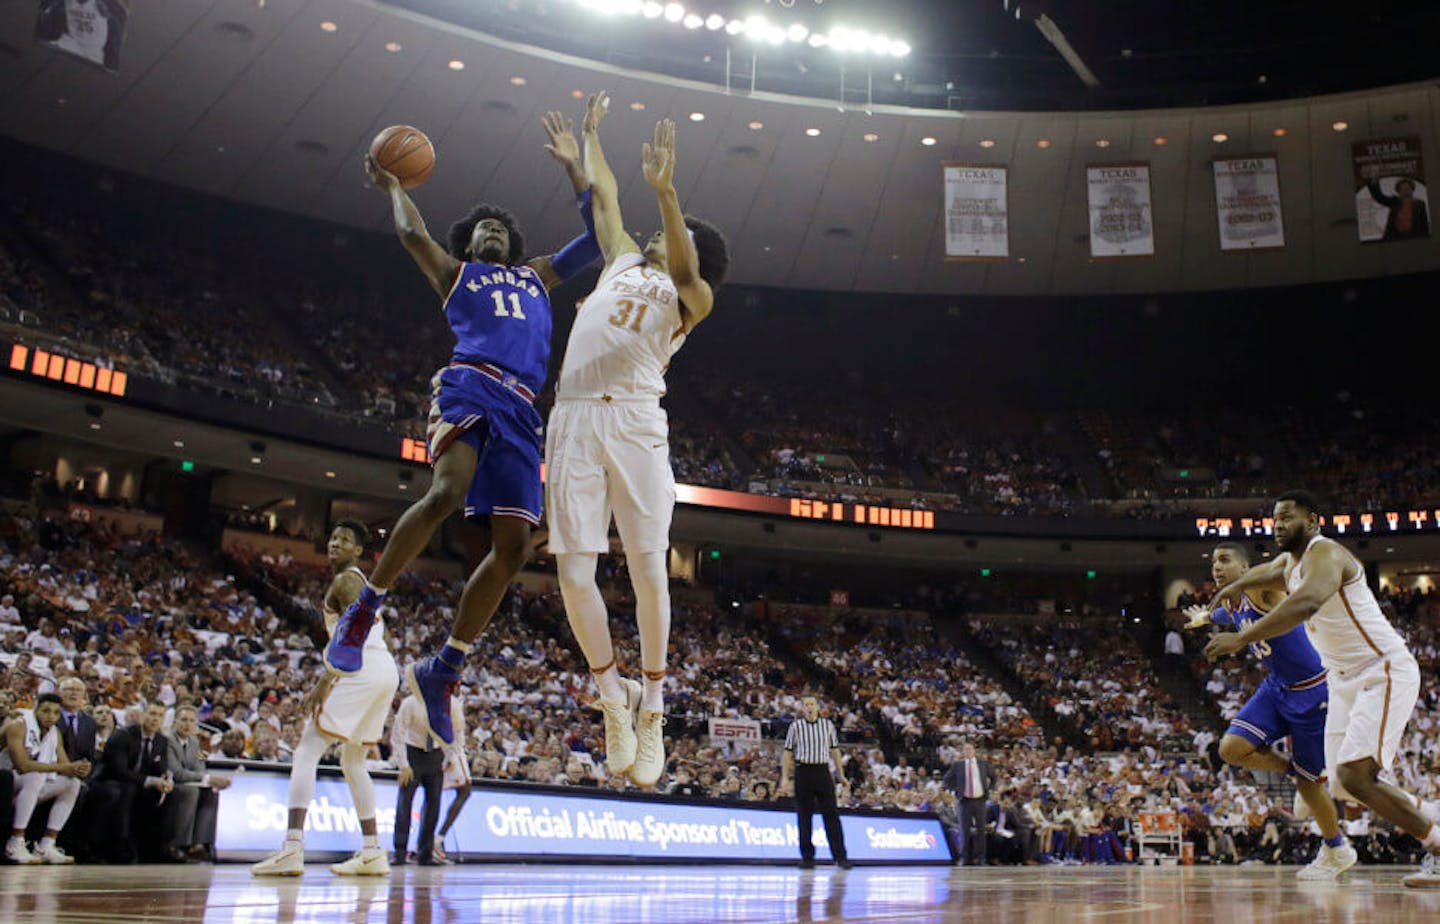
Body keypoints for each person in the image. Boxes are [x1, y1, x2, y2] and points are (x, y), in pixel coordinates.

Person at [326, 111, 602, 748]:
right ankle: (365, 609)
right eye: (484, 228)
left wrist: (575, 172)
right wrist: (397, 189)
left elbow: (594, 240)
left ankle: (444, 666)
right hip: (470, 383)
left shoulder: (537, 275)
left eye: (501, 229)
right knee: (447, 493)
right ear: (471, 242)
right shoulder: (457, 275)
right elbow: (412, 236)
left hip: (524, 409)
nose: (494, 234)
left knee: (515, 551)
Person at [548, 93, 729, 787]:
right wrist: (591, 139)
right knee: (571, 570)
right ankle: (612, 695)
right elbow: (605, 202)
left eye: (663, 233)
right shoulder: (621, 260)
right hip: (571, 417)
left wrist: (669, 193)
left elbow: (684, 266)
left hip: (634, 419)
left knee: (649, 569)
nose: (650, 237)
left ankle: (653, 700)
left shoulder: (692, 296)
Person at [1204, 490, 1440, 888]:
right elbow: (1267, 571)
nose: (1278, 525)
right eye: (1275, 519)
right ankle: (1432, 812)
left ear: (1312, 522)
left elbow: (1307, 602)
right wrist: (1227, 590)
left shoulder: (1325, 553)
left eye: (1288, 518)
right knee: (1341, 785)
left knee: (1356, 775)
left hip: (1380, 669)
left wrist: (1240, 639)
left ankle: (1435, 845)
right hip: (1342, 678)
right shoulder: (1289, 563)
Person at [1184, 540, 1355, 879]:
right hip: (1277, 687)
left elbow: (1285, 574)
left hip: (1313, 692)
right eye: (1213, 562)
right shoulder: (1231, 602)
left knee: (1310, 788)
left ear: (1246, 569)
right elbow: (1222, 614)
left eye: (1225, 560)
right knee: (1230, 749)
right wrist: (1205, 617)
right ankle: (1297, 772)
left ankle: (1337, 848)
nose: (1216, 567)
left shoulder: (1261, 589)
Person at [253, 520, 398, 877]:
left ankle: (291, 848)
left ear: (358, 551)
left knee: (307, 749)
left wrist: (327, 678)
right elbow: (384, 636)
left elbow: (354, 632)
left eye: (345, 540)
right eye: (333, 537)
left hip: (363, 667)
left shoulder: (347, 579)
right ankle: (372, 851)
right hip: (384, 668)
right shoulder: (364, 584)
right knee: (353, 761)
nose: (336, 543)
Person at [2, 693, 88, 864]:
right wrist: (65, 767)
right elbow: (22, 766)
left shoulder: (55, 732)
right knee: (34, 776)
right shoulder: (18, 725)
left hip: (28, 785)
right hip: (5, 781)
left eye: (56, 713)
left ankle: (47, 844)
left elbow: (65, 767)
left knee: (73, 784)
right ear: (36, 708)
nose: (51, 716)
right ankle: (15, 842)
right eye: (46, 711)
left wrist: (79, 768)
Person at [90, 700, 172, 862]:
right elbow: (118, 770)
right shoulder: (123, 735)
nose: (155, 719)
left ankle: (156, 850)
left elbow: (160, 768)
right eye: (152, 714)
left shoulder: (161, 740)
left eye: (160, 716)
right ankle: (119, 848)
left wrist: (167, 780)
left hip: (137, 783)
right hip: (108, 780)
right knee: (127, 791)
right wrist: (151, 780)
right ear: (143, 716)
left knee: (165, 795)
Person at [779, 695, 851, 869]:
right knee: (804, 815)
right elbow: (787, 752)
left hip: (822, 771)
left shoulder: (828, 725)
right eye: (806, 705)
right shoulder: (795, 727)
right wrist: (785, 777)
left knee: (831, 814)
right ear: (802, 708)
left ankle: (840, 856)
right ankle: (807, 857)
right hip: (803, 771)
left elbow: (835, 751)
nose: (809, 707)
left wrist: (841, 775)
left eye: (812, 704)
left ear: (818, 707)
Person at [163, 704, 231, 862]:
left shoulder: (195, 742)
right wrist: (206, 778)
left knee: (211, 792)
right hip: (171, 784)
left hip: (190, 782)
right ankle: (178, 845)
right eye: (184, 720)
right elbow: (176, 772)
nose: (188, 724)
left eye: (192, 721)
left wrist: (208, 780)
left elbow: (201, 767)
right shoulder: (167, 740)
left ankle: (199, 844)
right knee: (191, 792)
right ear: (175, 722)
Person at [391, 692, 447, 866]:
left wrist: (449, 758)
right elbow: (398, 733)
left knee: (433, 806)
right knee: (404, 804)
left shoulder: (447, 702)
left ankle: (425, 854)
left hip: (436, 754)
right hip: (413, 753)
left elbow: (455, 731)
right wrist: (403, 764)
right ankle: (400, 852)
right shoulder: (410, 702)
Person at [943, 742, 994, 866]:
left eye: (970, 749)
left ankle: (981, 858)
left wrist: (989, 789)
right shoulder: (958, 765)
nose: (968, 751)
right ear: (963, 752)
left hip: (980, 799)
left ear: (974, 750)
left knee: (981, 830)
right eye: (965, 749)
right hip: (964, 800)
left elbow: (993, 777)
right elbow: (947, 779)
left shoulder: (982, 763)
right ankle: (965, 857)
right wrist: (957, 790)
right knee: (964, 830)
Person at [433, 695, 470, 863]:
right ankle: (435, 840)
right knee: (465, 789)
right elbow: (455, 731)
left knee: (432, 795)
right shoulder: (451, 702)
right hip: (450, 750)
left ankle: (426, 842)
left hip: (438, 748)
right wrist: (450, 757)